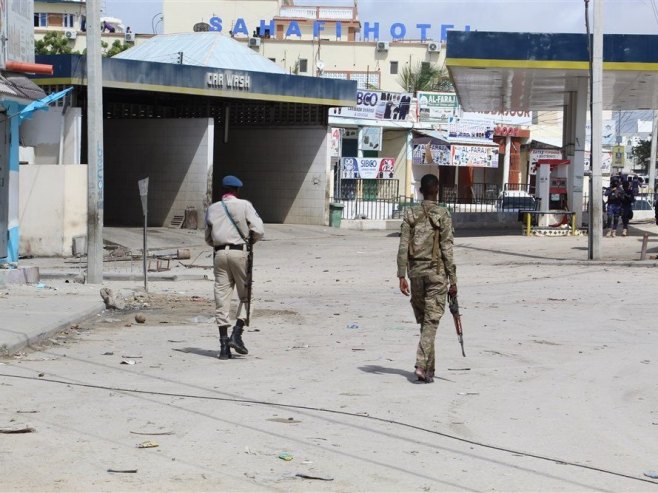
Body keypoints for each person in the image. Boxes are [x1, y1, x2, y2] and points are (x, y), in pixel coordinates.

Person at [397, 174, 458, 383]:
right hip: (436, 274)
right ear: (437, 189)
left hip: (415, 273)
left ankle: (429, 370)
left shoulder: (410, 213)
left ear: (422, 190)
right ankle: (421, 364)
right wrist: (453, 279)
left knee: (426, 321)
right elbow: (447, 248)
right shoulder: (442, 214)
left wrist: (401, 275)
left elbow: (403, 246)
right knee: (431, 320)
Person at [205, 176, 264, 360]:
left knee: (222, 300)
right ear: (237, 190)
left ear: (223, 190)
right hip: (240, 253)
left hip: (219, 255)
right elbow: (259, 230)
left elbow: (208, 238)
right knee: (246, 296)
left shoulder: (213, 208)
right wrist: (248, 242)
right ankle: (236, 334)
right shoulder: (244, 205)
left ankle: (223, 348)